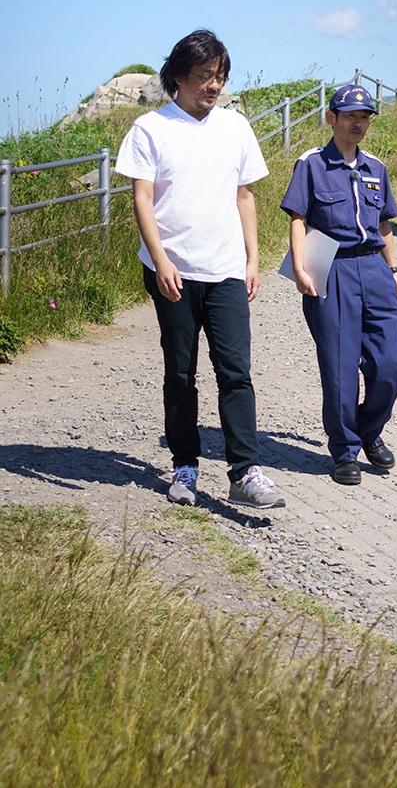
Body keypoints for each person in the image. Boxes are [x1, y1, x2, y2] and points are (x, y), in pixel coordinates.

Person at [115, 29, 285, 509]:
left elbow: (245, 195)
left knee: (236, 372)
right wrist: (162, 259)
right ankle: (184, 466)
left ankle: (245, 471)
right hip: (173, 271)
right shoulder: (151, 128)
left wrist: (253, 259)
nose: (214, 85)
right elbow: (142, 199)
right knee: (181, 371)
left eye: (220, 76)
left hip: (227, 268)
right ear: (177, 77)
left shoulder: (235, 127)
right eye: (204, 76)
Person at [281, 84, 397, 486]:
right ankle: (345, 450)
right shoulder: (312, 164)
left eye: (365, 116)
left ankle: (369, 431)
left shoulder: (376, 168)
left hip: (375, 270)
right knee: (339, 366)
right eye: (351, 116)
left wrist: (394, 272)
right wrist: (300, 268)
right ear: (331, 118)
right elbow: (298, 219)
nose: (358, 123)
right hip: (331, 269)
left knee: (389, 362)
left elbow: (385, 224)